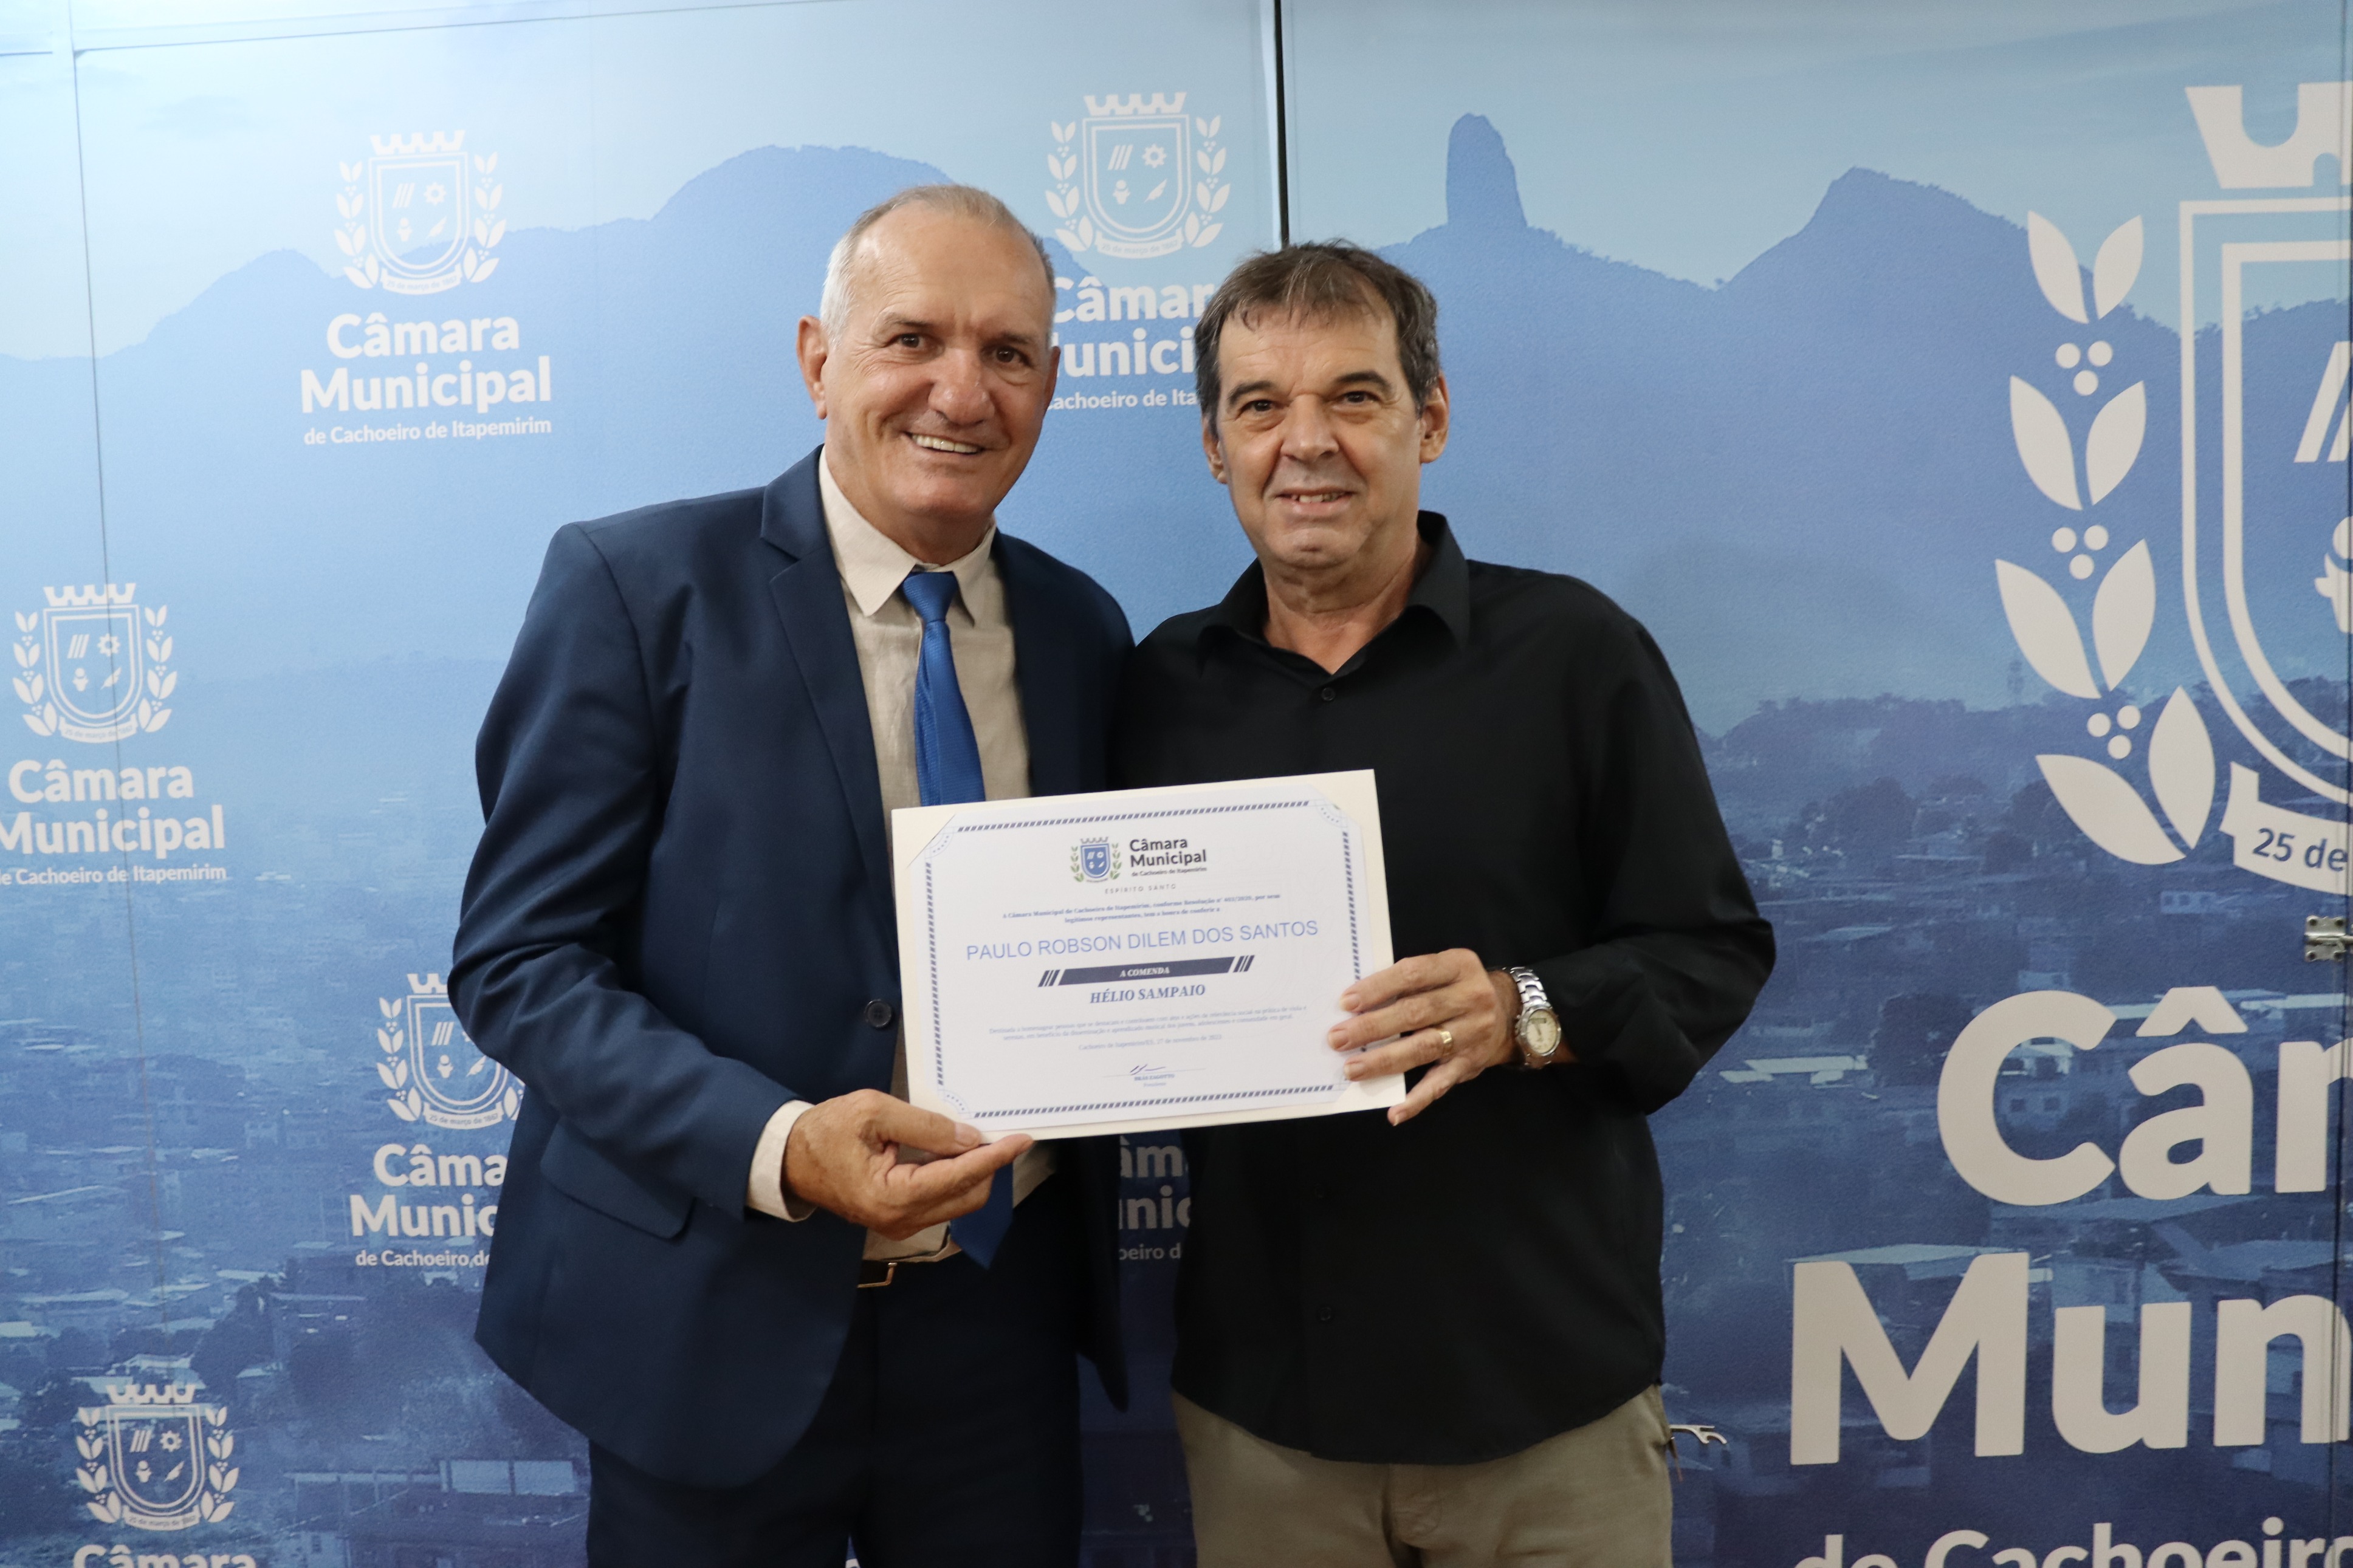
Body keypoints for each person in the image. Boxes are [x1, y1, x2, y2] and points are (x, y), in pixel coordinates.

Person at [451, 185, 1130, 1566]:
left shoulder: (1082, 630)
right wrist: (781, 1146)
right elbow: (520, 964)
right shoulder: (637, 589)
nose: (962, 391)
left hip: (998, 1331)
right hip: (711, 1312)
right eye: (912, 339)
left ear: (1053, 384)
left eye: (1007, 353)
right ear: (820, 360)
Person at [1115, 242, 1775, 1567]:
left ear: (1431, 418)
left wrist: (1524, 1008)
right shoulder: (1156, 691)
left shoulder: (1576, 656)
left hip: (1547, 1407)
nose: (1305, 443)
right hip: (1266, 1419)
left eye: (1352, 397)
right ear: (1214, 446)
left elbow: (1712, 951)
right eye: (1261, 405)